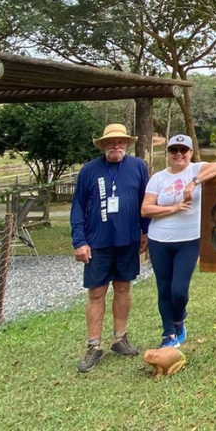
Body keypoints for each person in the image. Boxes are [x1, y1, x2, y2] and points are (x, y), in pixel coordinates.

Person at [70, 123, 149, 373]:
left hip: (127, 240)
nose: (116, 145)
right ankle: (94, 345)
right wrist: (79, 241)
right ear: (104, 144)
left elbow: (145, 201)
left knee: (124, 287)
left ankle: (120, 338)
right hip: (98, 242)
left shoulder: (137, 167)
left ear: (127, 143)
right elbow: (78, 207)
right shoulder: (89, 171)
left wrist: (146, 231)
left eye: (121, 141)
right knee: (96, 292)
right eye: (111, 142)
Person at [141, 134, 216, 348]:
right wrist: (174, 208)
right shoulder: (158, 178)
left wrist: (193, 183)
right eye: (174, 150)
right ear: (168, 153)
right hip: (159, 239)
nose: (178, 154)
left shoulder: (196, 169)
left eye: (183, 150)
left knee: (179, 290)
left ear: (190, 152)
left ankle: (179, 318)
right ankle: (168, 333)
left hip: (188, 239)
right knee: (164, 287)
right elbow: (146, 209)